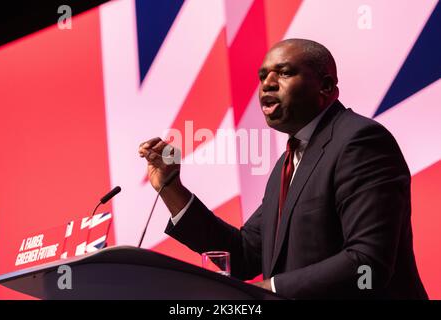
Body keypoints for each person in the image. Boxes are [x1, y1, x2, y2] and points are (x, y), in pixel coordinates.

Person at [138, 39, 427, 299]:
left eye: (285, 72)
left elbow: (368, 263)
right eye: (263, 76)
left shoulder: (359, 142)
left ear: (326, 86)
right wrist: (172, 187)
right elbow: (244, 254)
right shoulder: (288, 163)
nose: (268, 84)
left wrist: (271, 289)